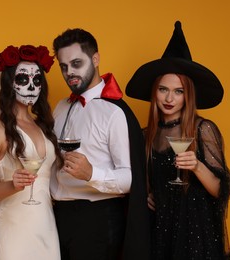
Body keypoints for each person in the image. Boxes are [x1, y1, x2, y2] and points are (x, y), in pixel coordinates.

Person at [125, 21, 230, 259]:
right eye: (163, 89)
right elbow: (142, 182)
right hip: (160, 230)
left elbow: (221, 190)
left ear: (188, 95)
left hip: (196, 232)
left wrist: (196, 165)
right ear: (154, 92)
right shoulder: (146, 135)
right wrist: (148, 195)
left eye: (178, 91)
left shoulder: (202, 129)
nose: (169, 98)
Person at [52, 28, 151, 260]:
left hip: (96, 221)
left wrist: (91, 173)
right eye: (63, 66)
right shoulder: (60, 106)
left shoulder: (114, 112)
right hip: (57, 217)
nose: (70, 73)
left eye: (77, 63)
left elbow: (130, 179)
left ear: (95, 59)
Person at [0, 44, 63, 260]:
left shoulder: (43, 126)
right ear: (8, 84)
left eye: (37, 80)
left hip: (45, 223)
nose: (31, 86)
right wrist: (11, 185)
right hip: (13, 226)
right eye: (23, 79)